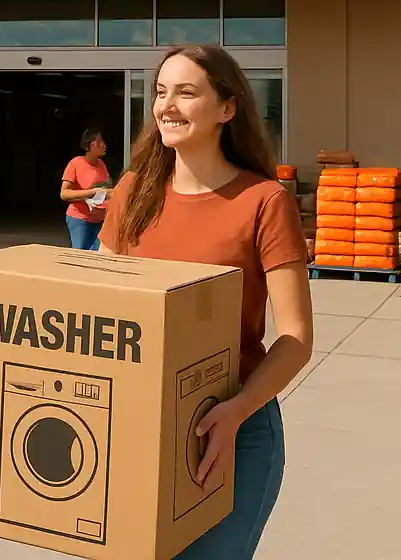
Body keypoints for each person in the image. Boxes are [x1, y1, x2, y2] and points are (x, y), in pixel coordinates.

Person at [99, 45, 312, 559]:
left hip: (229, 428)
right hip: (135, 423)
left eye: (187, 92)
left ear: (227, 108)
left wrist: (237, 411)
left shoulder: (264, 201)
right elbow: (95, 297)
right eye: (161, 91)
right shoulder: (132, 191)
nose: (166, 105)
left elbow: (296, 339)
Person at [61, 127, 112, 251]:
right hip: (80, 218)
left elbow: (107, 190)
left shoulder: (101, 165)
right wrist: (92, 193)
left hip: (100, 220)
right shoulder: (75, 163)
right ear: (90, 145)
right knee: (81, 255)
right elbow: (64, 194)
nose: (104, 145)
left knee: (98, 254)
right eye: (99, 142)